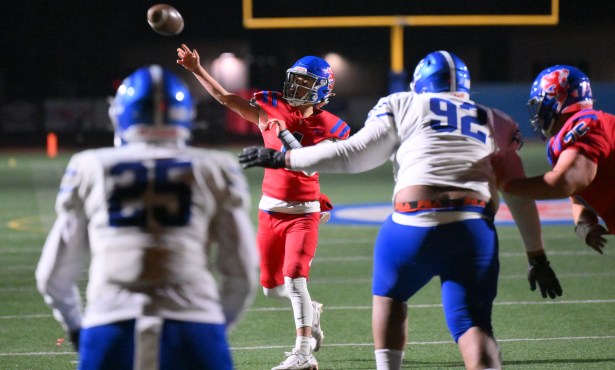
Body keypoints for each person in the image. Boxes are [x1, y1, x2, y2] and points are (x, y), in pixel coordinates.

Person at [239, 50, 563, 370]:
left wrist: (285, 158)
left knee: (391, 300)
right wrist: (537, 256)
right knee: (473, 327)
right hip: (472, 226)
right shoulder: (498, 120)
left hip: (410, 222)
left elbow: (355, 155)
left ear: (419, 83)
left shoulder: (402, 103)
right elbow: (518, 193)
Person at [35, 65, 259, 370]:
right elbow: (243, 273)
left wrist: (77, 328)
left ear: (121, 115)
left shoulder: (90, 165)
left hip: (111, 324)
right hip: (193, 325)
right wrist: (213, 327)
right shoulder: (215, 167)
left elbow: (52, 276)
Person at [177, 44, 350, 370]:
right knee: (271, 289)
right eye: (294, 81)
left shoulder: (331, 126)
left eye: (305, 83)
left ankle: (303, 354)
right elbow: (226, 98)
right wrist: (197, 70)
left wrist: (284, 135)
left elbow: (308, 166)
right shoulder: (271, 106)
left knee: (295, 279)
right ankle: (311, 311)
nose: (296, 88)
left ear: (322, 91)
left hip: (303, 212)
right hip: (269, 210)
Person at [493, 65, 613, 254]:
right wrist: (584, 223)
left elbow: (564, 183)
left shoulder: (585, 125)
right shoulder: (586, 128)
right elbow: (579, 195)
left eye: (540, 105)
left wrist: (503, 182)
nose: (538, 113)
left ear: (557, 100)